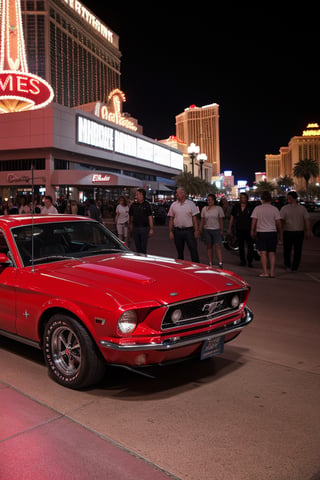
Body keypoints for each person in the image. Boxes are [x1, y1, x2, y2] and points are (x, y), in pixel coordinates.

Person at [251, 191, 282, 278]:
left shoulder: (258, 208)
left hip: (261, 232)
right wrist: (280, 233)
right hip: (272, 232)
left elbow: (254, 221)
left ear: (262, 199)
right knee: (272, 253)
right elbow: (278, 222)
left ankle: (265, 272)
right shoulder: (274, 209)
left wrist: (252, 230)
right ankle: (272, 272)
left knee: (263, 253)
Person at [280, 191, 311, 272]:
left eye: (288, 197)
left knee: (288, 250)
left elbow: (281, 221)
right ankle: (294, 266)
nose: (287, 199)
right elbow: (307, 220)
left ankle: (288, 266)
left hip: (289, 232)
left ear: (291, 198)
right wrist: (308, 231)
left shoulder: (284, 208)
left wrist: (280, 231)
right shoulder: (302, 208)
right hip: (298, 232)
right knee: (297, 250)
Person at [167, 187, 200, 262]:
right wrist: (171, 231)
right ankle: (181, 267)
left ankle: (196, 266)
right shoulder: (173, 205)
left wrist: (196, 230)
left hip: (189, 231)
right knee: (179, 252)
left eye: (178, 193)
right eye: (176, 193)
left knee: (193, 250)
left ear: (183, 194)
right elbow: (171, 219)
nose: (176, 195)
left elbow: (194, 218)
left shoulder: (191, 204)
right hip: (177, 231)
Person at [228, 192, 254, 267]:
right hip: (239, 229)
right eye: (241, 198)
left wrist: (254, 229)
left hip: (249, 229)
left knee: (250, 246)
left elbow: (254, 219)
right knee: (241, 246)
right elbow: (232, 218)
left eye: (244, 198)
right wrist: (229, 229)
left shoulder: (251, 207)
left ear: (247, 198)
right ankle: (243, 261)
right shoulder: (236, 207)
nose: (243, 199)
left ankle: (250, 261)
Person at [199, 193, 224, 267]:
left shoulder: (218, 208)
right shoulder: (204, 209)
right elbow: (202, 220)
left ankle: (220, 262)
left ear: (214, 200)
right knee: (209, 246)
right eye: (208, 200)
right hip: (207, 229)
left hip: (216, 229)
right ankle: (210, 262)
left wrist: (222, 230)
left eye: (211, 200)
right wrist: (200, 229)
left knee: (217, 246)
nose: (209, 201)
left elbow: (221, 220)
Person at [129, 188, 154, 254]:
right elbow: (131, 217)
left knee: (143, 246)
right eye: (136, 195)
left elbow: (150, 217)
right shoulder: (133, 205)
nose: (136, 196)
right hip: (135, 228)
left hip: (144, 228)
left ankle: (144, 259)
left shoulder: (147, 205)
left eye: (137, 194)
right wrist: (131, 227)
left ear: (142, 195)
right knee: (137, 246)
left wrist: (151, 228)